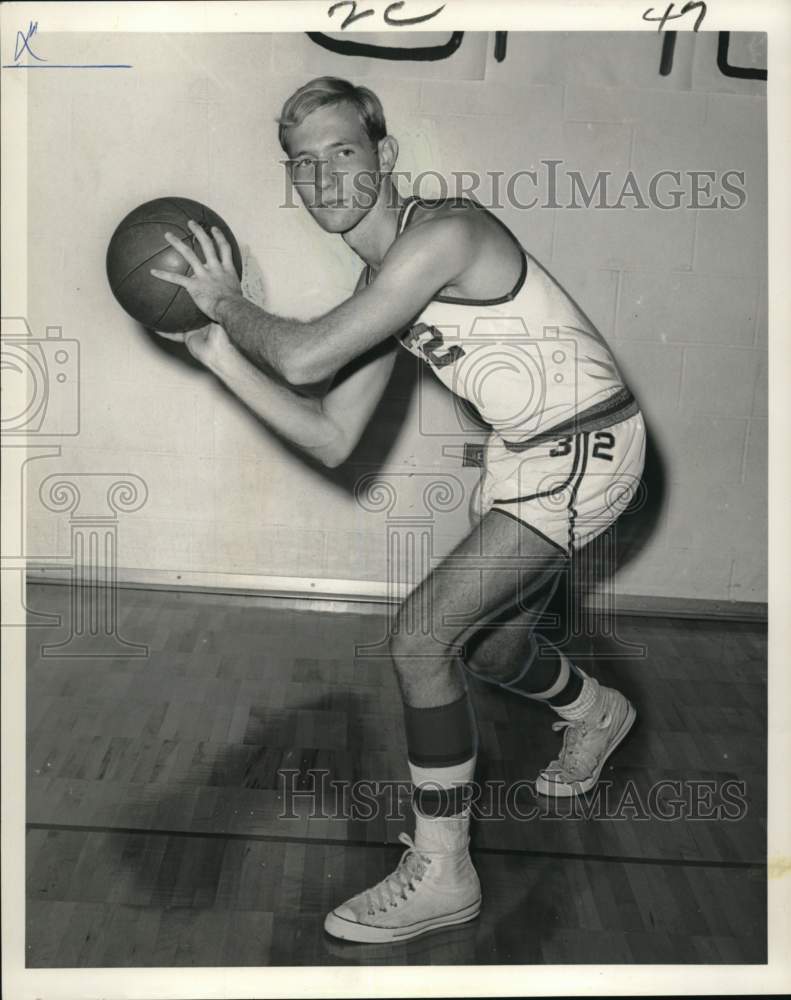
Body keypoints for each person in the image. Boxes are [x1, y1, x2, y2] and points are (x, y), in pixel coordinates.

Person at [151, 76, 646, 944]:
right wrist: (219, 356)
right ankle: (592, 710)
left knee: (419, 637)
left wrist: (226, 300)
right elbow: (332, 434)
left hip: (585, 445)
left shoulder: (445, 235)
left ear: (384, 157)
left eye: (343, 152)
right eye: (302, 165)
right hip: (528, 454)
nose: (323, 178)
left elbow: (305, 358)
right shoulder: (385, 276)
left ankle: (443, 870)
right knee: (492, 646)